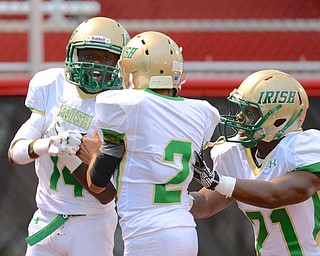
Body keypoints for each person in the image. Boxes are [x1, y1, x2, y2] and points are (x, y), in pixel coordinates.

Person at [76, 31, 220, 256]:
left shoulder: (124, 105)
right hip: (185, 228)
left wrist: (94, 155)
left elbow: (97, 183)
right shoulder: (203, 112)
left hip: (147, 234)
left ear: (134, 72)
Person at [8, 17, 130, 256]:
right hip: (46, 217)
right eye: (88, 55)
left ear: (120, 62)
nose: (96, 65)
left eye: (106, 57)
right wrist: (49, 144)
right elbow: (15, 152)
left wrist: (68, 156)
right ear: (74, 55)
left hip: (91, 224)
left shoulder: (122, 105)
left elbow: (106, 195)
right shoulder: (52, 84)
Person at [189, 69, 320, 256]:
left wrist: (217, 181)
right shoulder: (236, 154)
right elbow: (206, 204)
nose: (240, 117)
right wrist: (175, 199)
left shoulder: (302, 149)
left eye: (250, 111)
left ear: (279, 120)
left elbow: (275, 195)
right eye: (241, 109)